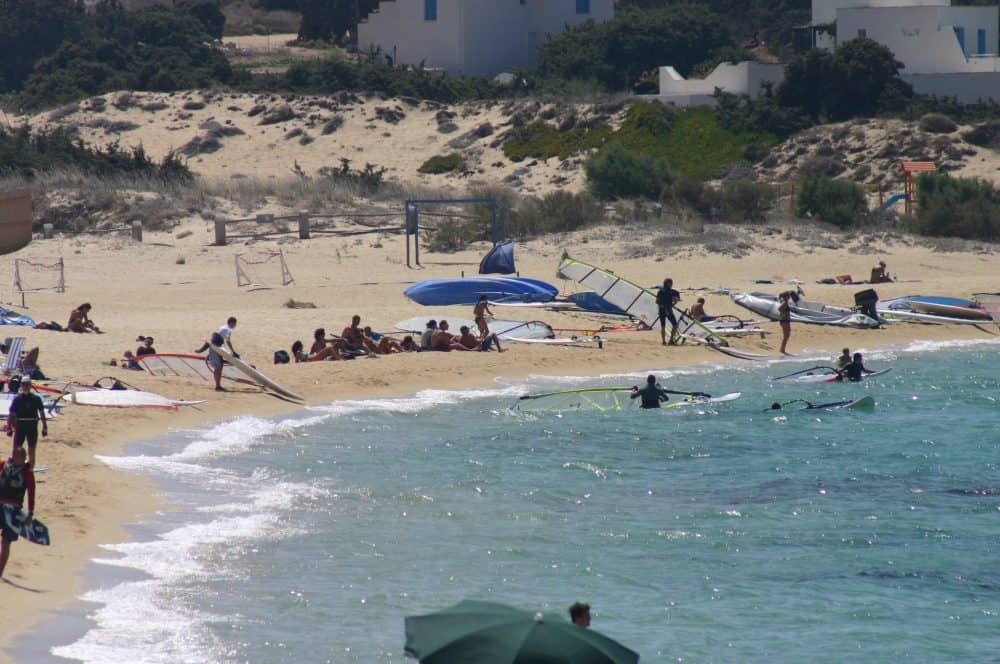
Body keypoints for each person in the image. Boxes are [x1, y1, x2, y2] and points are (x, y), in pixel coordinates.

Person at [0, 447, 35, 578]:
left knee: (5, 542)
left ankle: (0, 571)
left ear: (23, 458)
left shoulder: (27, 473)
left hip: (13, 511)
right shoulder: (4, 465)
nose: (15, 458)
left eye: (18, 456)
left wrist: (30, 513)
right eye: (14, 455)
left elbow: (31, 493)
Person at [6, 378, 47, 467]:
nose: (25, 387)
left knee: (31, 449)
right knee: (16, 449)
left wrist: (44, 427)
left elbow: (41, 412)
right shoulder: (17, 399)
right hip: (20, 426)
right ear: (21, 386)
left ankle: (30, 470)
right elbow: (11, 414)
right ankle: (16, 468)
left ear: (30, 386)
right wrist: (9, 427)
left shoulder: (36, 399)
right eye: (24, 384)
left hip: (32, 426)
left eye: (27, 384)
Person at [205, 317, 238, 392]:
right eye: (235, 324)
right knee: (218, 367)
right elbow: (228, 341)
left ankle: (218, 385)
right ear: (231, 323)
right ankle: (217, 386)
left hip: (216, 348)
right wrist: (233, 352)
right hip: (215, 348)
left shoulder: (223, 327)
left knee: (220, 366)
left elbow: (214, 334)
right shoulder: (228, 329)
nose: (235, 325)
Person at [656, 278, 680, 345]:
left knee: (663, 326)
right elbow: (676, 300)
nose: (672, 284)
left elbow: (657, 301)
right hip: (668, 310)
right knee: (675, 325)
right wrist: (673, 303)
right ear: (669, 284)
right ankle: (671, 340)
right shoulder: (672, 292)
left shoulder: (660, 291)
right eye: (671, 283)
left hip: (661, 310)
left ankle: (663, 341)